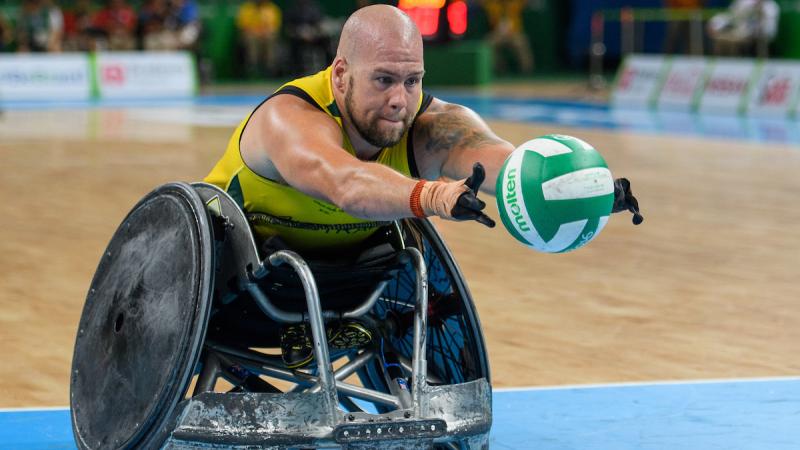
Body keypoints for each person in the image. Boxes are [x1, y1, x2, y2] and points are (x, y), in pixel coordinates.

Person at [205, 5, 642, 367]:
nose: (400, 99)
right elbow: (345, 183)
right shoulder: (289, 118)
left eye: (412, 80)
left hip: (346, 287)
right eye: (384, 80)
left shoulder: (427, 123)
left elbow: (498, 160)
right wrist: (430, 194)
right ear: (340, 74)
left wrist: (571, 187)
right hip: (230, 287)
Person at [707, 0, 779, 57]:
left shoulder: (771, 6)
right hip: (741, 33)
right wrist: (715, 24)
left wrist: (756, 29)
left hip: (758, 36)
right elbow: (730, 16)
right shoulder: (742, 2)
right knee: (721, 40)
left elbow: (769, 29)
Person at [482, 0, 534, 75]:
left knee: (521, 42)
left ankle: (527, 71)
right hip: (498, 34)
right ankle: (500, 70)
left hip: (514, 33)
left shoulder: (516, 3)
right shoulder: (492, 4)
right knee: (488, 43)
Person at [236, 0, 282, 78]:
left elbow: (274, 27)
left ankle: (269, 68)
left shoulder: (271, 8)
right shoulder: (247, 8)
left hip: (266, 36)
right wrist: (256, 33)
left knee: (270, 38)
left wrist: (265, 33)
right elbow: (244, 27)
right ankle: (252, 67)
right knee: (252, 39)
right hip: (252, 35)